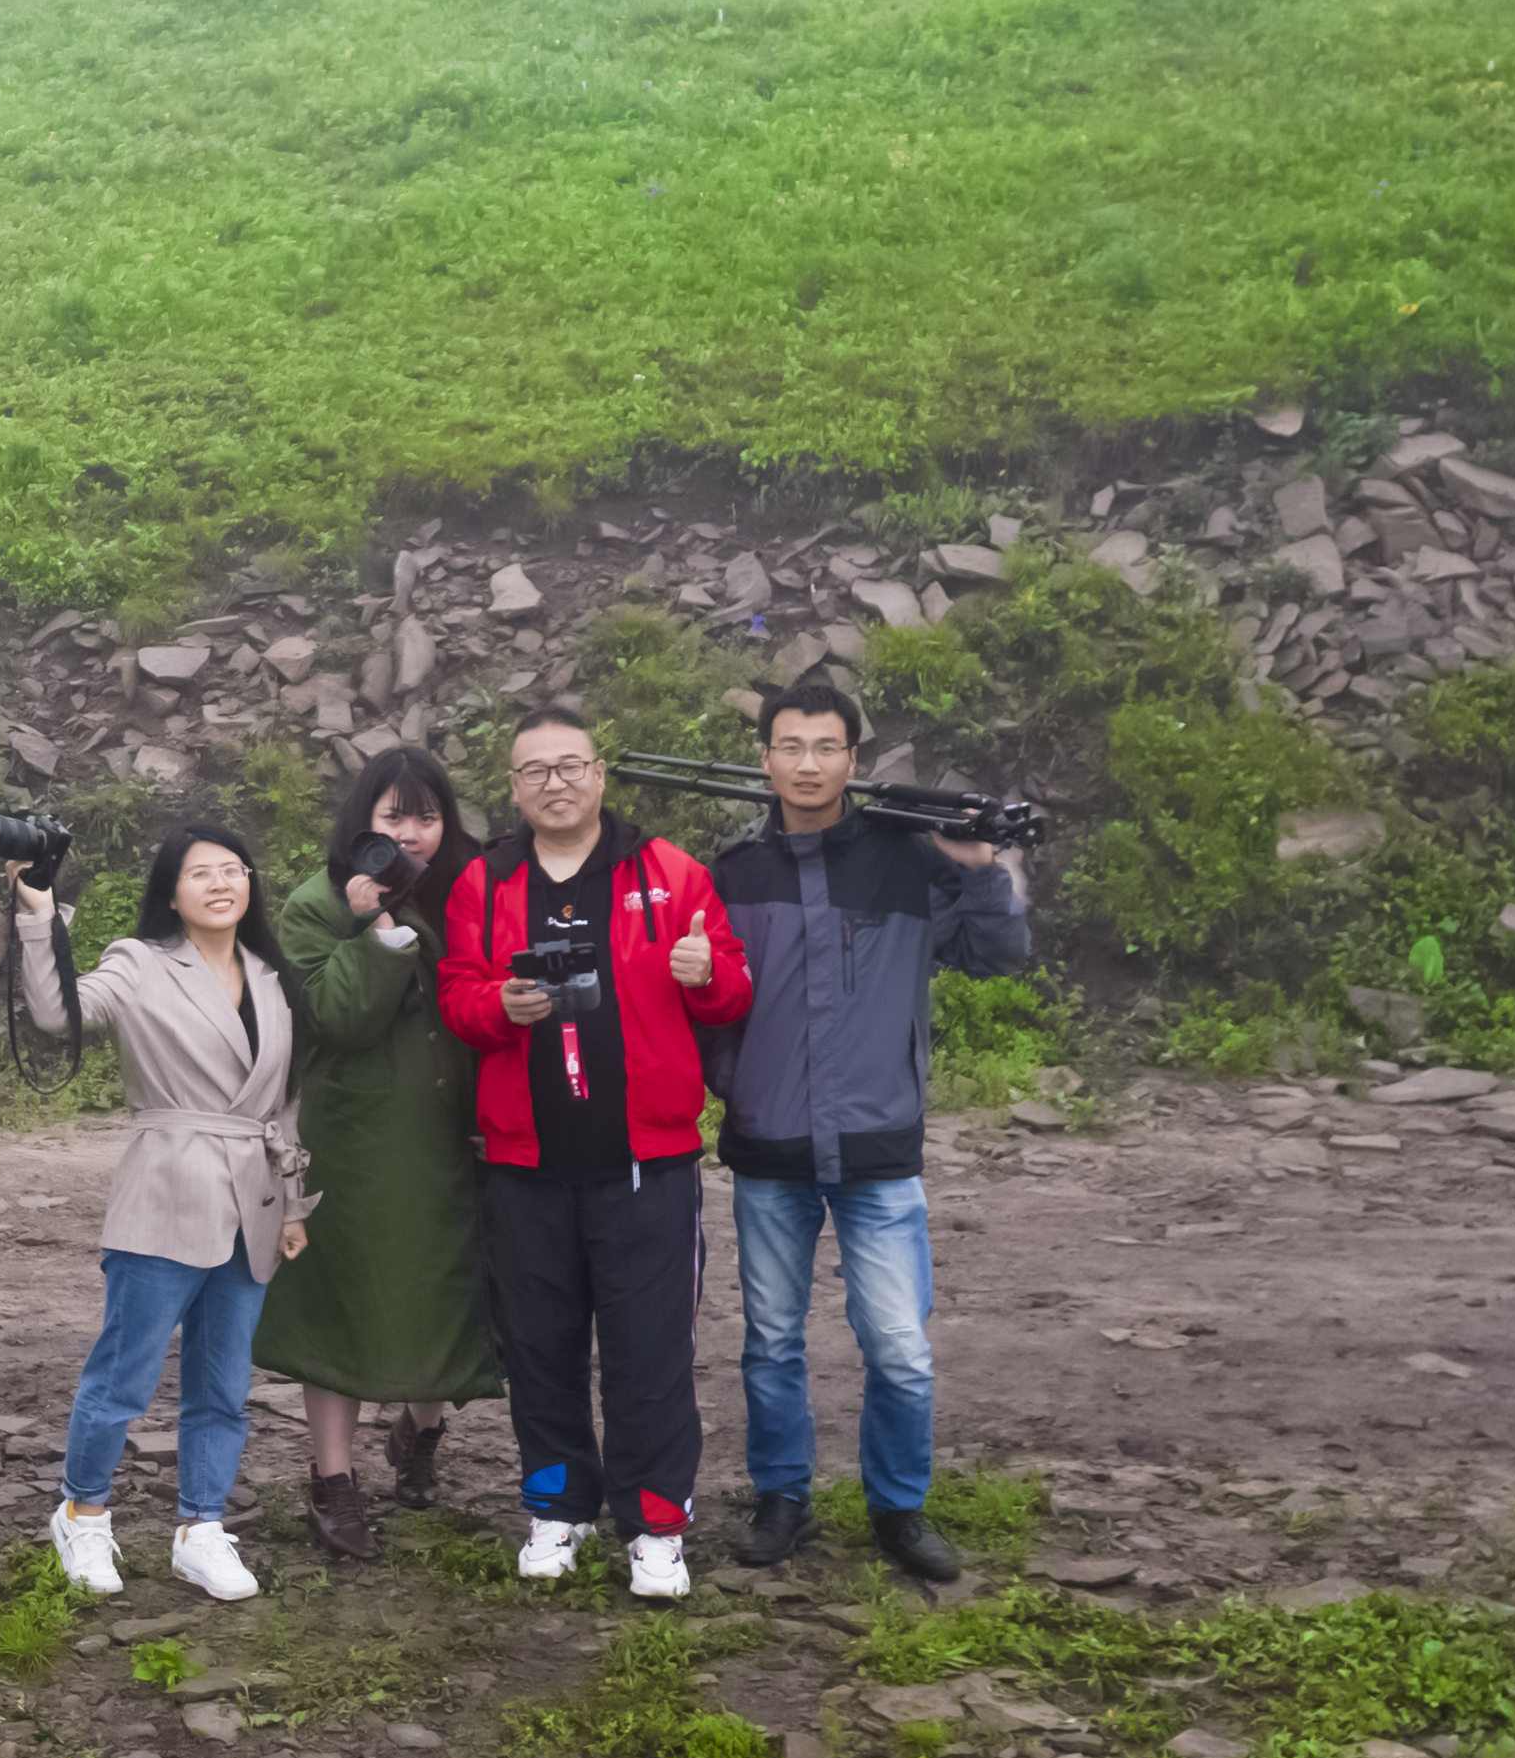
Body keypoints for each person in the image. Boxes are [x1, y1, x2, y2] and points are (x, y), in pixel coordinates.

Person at [705, 673, 1034, 1585]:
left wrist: (979, 873)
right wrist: (729, 1080)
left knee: (900, 1346)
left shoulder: (911, 861)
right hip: (769, 1147)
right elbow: (709, 1003)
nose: (808, 764)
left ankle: (898, 1508)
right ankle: (783, 1499)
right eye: (790, 747)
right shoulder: (733, 874)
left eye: (827, 747)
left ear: (854, 758)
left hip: (879, 1148)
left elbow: (997, 957)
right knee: (770, 1339)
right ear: (765, 759)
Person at [438, 707, 743, 1599]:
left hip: (647, 1162)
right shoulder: (484, 884)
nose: (555, 783)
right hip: (525, 1165)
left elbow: (730, 990)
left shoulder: (670, 873)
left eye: (570, 765)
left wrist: (708, 976)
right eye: (535, 770)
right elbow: (458, 1000)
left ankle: (657, 1524)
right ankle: (555, 1508)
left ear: (601, 773)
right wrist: (504, 1008)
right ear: (514, 788)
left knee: (651, 1352)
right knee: (539, 1348)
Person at [6, 820, 313, 1605]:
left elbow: (284, 1104)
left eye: (234, 869)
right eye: (200, 872)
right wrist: (37, 911)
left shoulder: (274, 979)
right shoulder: (141, 964)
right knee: (125, 1373)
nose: (221, 882)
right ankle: (83, 1512)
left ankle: (200, 1529)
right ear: (171, 894)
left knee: (224, 1383)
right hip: (166, 1187)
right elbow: (56, 1015)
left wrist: (293, 1204)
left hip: (254, 1197)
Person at [257, 746, 498, 1563]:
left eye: (426, 816)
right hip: (354, 1141)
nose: (412, 833)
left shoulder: (472, 895)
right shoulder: (315, 906)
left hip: (453, 1134)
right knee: (343, 1303)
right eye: (394, 816)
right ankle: (333, 1483)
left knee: (444, 1288)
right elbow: (335, 1018)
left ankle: (420, 1433)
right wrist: (377, 932)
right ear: (363, 822)